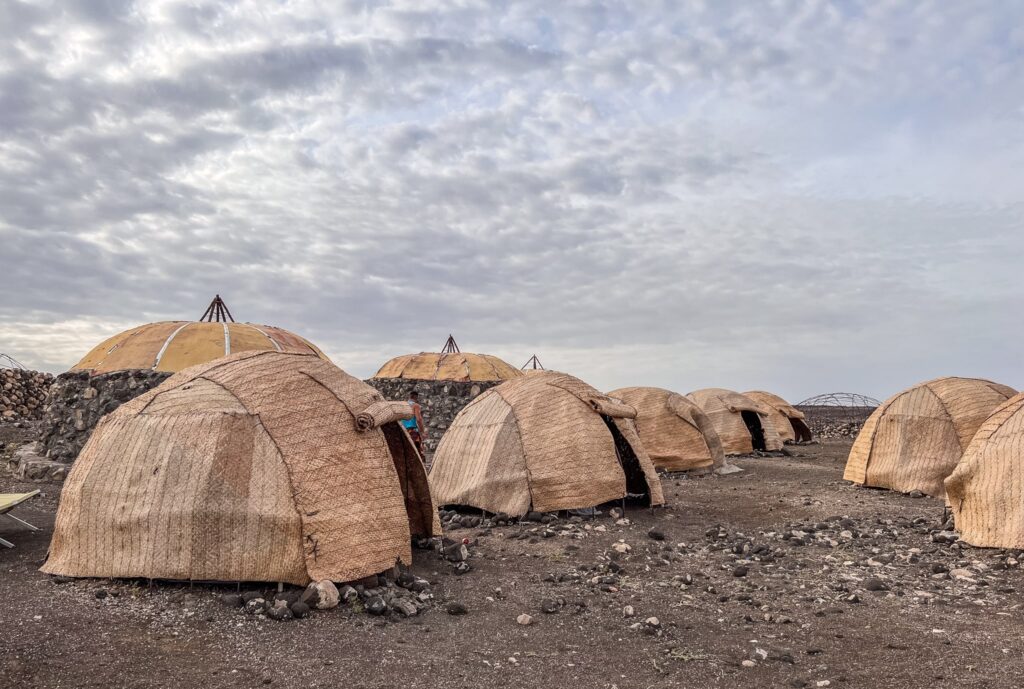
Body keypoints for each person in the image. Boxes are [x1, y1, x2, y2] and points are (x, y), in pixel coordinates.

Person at [402, 391, 426, 457]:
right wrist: (422, 431)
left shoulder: (403, 405)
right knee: (417, 452)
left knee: (406, 452)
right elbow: (419, 419)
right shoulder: (415, 405)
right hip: (412, 431)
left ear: (409, 396)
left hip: (403, 431)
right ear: (416, 397)